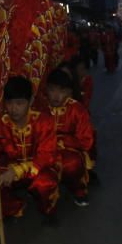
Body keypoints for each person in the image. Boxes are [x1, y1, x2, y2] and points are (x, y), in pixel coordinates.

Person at [0, 76, 59, 226]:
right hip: (9, 173)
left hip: (37, 170)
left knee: (45, 183)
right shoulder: (0, 124)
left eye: (19, 103)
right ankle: (14, 205)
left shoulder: (44, 121)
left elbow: (47, 156)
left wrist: (18, 171)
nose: (13, 109)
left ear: (31, 101)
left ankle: (47, 208)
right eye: (9, 103)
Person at [44, 69, 95, 207]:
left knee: (71, 164)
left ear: (68, 92)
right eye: (52, 90)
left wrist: (61, 141)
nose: (56, 95)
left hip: (69, 152)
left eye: (61, 91)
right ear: (46, 90)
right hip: (44, 152)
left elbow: (86, 139)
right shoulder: (41, 108)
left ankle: (79, 191)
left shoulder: (77, 110)